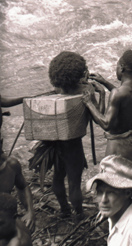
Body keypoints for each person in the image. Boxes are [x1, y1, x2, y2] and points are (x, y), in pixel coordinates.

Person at [82, 50, 132, 200]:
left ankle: (113, 206)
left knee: (109, 177)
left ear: (121, 68)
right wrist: (105, 82)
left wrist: (89, 103)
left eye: (116, 66)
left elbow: (106, 123)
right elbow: (125, 94)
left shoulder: (117, 94)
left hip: (120, 143)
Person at [28, 52, 92, 219]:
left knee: (58, 177)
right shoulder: (85, 90)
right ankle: (79, 214)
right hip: (73, 145)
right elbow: (95, 115)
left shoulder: (57, 90)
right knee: (74, 182)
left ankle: (64, 210)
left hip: (54, 144)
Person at [87, 154, 132, 246]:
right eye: (100, 192)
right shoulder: (117, 213)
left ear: (127, 193)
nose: (103, 200)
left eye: (111, 192)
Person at [0, 135, 35, 231]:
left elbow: (23, 186)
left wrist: (30, 212)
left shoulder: (11, 165)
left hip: (5, 219)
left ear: (1, 143)